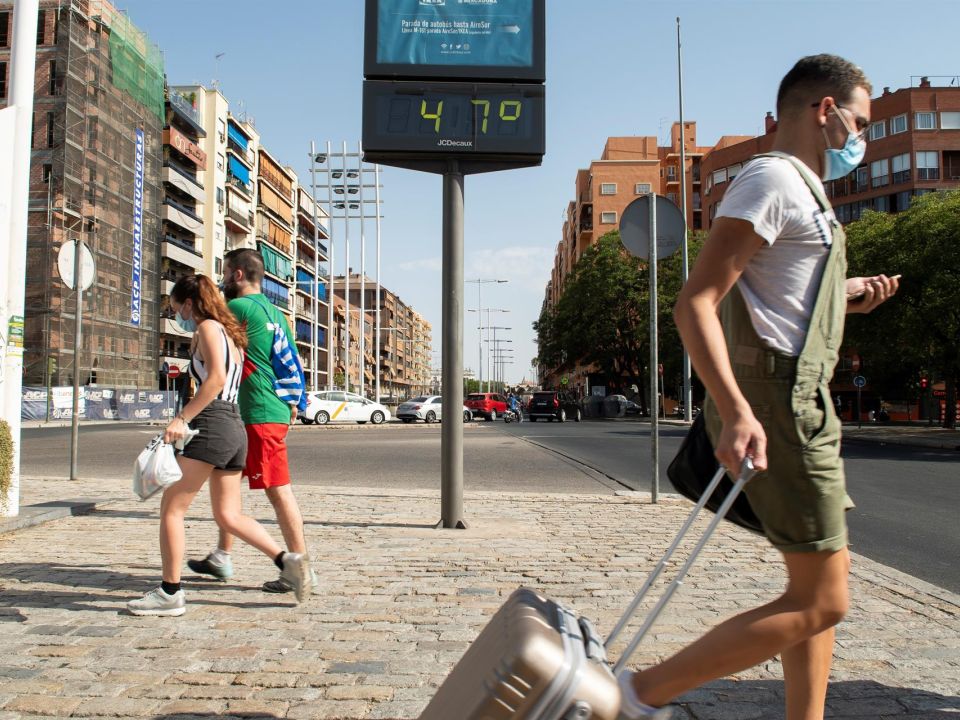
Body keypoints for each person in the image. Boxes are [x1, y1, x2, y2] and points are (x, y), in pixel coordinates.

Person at [617, 55, 899, 720]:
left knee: (815, 592)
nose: (861, 140)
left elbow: (778, 289)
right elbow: (697, 302)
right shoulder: (771, 179)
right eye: (857, 122)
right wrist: (739, 411)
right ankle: (634, 694)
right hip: (778, 403)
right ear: (824, 111)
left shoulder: (806, 191)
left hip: (801, 401)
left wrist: (848, 296)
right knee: (823, 599)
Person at [127, 275, 311, 616]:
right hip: (234, 425)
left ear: (189, 303)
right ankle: (288, 562)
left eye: (175, 307)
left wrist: (182, 418)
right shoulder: (233, 336)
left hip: (213, 422)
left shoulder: (209, 329)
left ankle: (170, 592)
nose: (175, 314)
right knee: (228, 514)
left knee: (172, 509)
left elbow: (215, 379)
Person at [188, 249, 314, 595]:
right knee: (224, 485)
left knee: (278, 492)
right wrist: (295, 402)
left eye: (225, 273)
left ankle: (300, 567)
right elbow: (290, 361)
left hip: (256, 412)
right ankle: (222, 555)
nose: (222, 280)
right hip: (263, 410)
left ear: (238, 275)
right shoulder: (276, 312)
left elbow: (207, 337)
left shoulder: (238, 309)